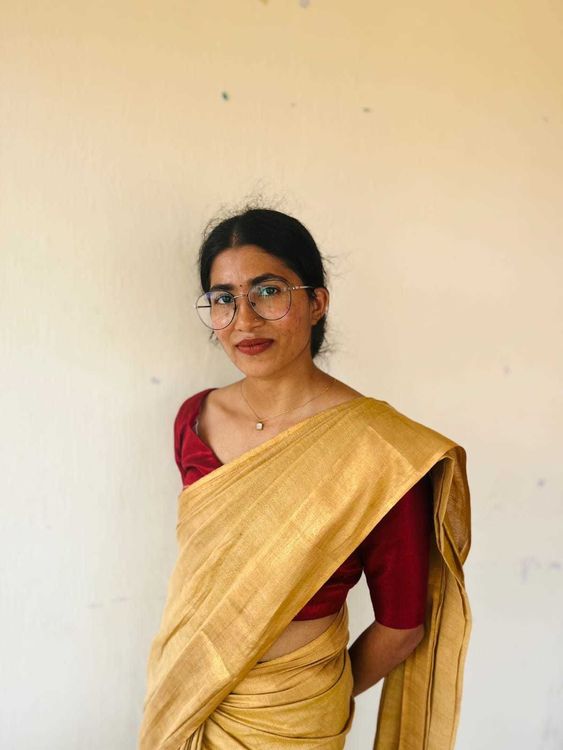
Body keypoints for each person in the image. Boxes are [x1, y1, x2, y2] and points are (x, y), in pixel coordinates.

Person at [138, 208, 472, 750]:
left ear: (317, 302)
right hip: (181, 695)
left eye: (268, 292)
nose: (245, 321)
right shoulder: (195, 421)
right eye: (224, 299)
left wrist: (317, 693)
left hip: (293, 720)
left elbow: (402, 625)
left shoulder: (379, 451)